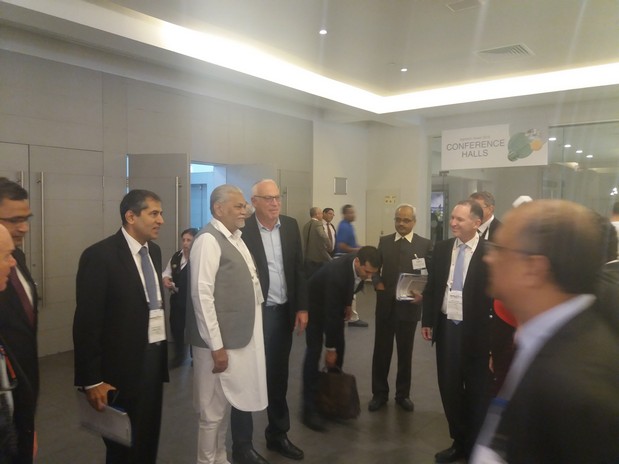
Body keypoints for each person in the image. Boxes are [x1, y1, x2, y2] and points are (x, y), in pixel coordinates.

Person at [471, 200, 619, 464]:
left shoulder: (576, 390)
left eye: (499, 249)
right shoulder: (551, 335)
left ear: (534, 269)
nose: (488, 257)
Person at [73, 189, 168, 464]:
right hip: (119, 373)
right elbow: (87, 323)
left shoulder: (154, 252)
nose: (161, 220)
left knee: (148, 438)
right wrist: (92, 380)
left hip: (152, 361)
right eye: (153, 213)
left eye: (161, 213)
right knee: (122, 448)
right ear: (130, 216)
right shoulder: (100, 256)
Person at [185, 185, 267, 464]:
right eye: (238, 206)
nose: (245, 211)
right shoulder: (208, 240)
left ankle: (220, 458)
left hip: (235, 340)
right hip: (216, 344)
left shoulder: (235, 238)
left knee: (223, 408)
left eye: (244, 206)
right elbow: (201, 296)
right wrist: (216, 345)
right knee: (211, 412)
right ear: (218, 209)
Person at [232, 179, 307, 464]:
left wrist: (302, 307)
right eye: (268, 198)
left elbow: (298, 268)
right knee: (246, 377)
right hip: (255, 316)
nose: (275, 203)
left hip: (283, 313)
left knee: (278, 376)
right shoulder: (242, 230)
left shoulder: (290, 226)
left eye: (277, 197)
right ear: (254, 202)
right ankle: (242, 445)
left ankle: (277, 434)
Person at [421, 199, 492, 463]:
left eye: (459, 219)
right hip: (447, 327)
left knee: (476, 390)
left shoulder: (490, 253)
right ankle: (459, 441)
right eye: (452, 217)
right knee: (449, 387)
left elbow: (495, 298)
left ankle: (475, 445)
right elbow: (432, 286)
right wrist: (427, 320)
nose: (452, 223)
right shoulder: (442, 249)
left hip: (477, 332)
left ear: (476, 222)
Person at [302, 246, 381, 432]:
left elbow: (350, 285)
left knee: (340, 350)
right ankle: (309, 410)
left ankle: (331, 401)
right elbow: (330, 313)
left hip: (334, 304)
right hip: (315, 307)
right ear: (357, 262)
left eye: (373, 273)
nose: (369, 277)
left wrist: (347, 304)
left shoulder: (358, 266)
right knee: (314, 353)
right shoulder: (336, 273)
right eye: (367, 272)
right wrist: (330, 349)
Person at [369, 204, 432, 413]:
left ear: (414, 221)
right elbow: (375, 268)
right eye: (398, 219)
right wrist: (377, 282)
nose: (401, 223)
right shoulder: (385, 241)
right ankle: (379, 393)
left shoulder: (424, 244)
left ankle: (403, 395)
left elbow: (431, 274)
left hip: (409, 308)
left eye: (406, 220)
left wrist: (423, 293)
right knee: (381, 352)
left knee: (405, 354)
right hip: (385, 306)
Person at [0, 178, 38, 464]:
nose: (24, 228)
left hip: (20, 393)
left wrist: (27, 422)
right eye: (14, 220)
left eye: (26, 219)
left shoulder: (18, 258)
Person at [162, 227, 198, 367]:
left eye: (189, 240)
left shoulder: (198, 258)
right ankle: (178, 356)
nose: (185, 243)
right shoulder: (177, 256)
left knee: (194, 329)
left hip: (192, 301)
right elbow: (167, 272)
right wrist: (166, 279)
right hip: (177, 300)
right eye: (184, 240)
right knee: (176, 327)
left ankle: (195, 357)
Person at [335, 205, 368, 328]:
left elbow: (352, 244)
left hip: (348, 259)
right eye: (350, 213)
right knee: (350, 289)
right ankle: (352, 318)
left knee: (351, 290)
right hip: (344, 261)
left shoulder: (349, 226)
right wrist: (357, 250)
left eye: (353, 212)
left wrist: (360, 248)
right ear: (344, 214)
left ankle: (350, 315)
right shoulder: (344, 226)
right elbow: (342, 246)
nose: (353, 215)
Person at [301, 207, 331, 277]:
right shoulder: (318, 223)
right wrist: (329, 243)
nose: (322, 215)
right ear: (317, 214)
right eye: (321, 213)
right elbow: (322, 235)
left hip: (308, 257)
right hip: (318, 257)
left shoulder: (306, 225)